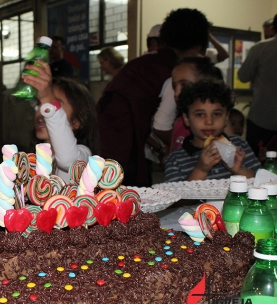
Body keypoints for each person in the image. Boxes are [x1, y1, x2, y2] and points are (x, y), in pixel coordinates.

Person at [96, 8, 210, 187]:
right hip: (125, 142)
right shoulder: (176, 71)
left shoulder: (150, 60)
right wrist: (181, 142)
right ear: (199, 43)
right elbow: (161, 125)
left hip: (108, 133)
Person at [165, 80, 260, 182]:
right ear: (186, 119)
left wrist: (239, 169)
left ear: (226, 117)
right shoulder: (176, 160)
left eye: (217, 114)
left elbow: (265, 187)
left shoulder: (240, 145)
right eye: (200, 114)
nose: (209, 121)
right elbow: (178, 198)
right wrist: (201, 170)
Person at [22, 60, 100, 183]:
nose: (43, 111)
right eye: (40, 103)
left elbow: (67, 160)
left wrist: (47, 98)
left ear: (76, 122)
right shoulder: (34, 158)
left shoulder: (83, 154)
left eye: (54, 103)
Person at [153, 56, 224, 154]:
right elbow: (172, 155)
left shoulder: (219, 122)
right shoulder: (179, 122)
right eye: (174, 87)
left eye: (184, 85)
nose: (177, 92)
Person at [238, 14, 277, 159]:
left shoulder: (260, 48)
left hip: (261, 117)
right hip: (262, 118)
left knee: (253, 163)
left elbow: (243, 76)